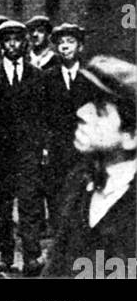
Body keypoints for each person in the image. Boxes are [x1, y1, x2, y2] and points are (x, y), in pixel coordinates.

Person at [45, 56, 136, 277]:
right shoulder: (79, 181)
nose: (81, 113)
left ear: (131, 136)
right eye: (86, 103)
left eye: (100, 109)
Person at [0, 18, 47, 277]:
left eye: (18, 40)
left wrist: (43, 148)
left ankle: (31, 255)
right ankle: (4, 255)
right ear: (1, 44)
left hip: (28, 152)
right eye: (8, 40)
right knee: (1, 208)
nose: (13, 45)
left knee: (29, 204)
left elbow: (42, 116)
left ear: (24, 43)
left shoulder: (36, 75)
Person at [43, 23, 91, 226]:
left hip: (84, 148)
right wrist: (45, 146)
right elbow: (42, 115)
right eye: (60, 43)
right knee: (57, 197)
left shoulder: (91, 77)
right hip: (57, 149)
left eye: (70, 42)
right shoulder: (47, 78)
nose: (65, 47)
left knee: (83, 196)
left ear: (80, 47)